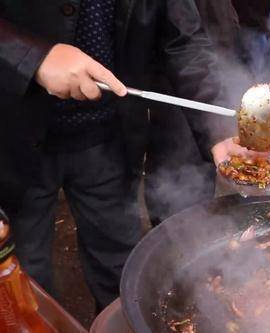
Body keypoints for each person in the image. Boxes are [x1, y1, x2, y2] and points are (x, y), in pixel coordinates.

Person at [0, 0, 255, 311]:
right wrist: (33, 56)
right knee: (24, 279)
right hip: (13, 138)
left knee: (119, 269)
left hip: (109, 138)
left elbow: (184, 39)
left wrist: (218, 128)